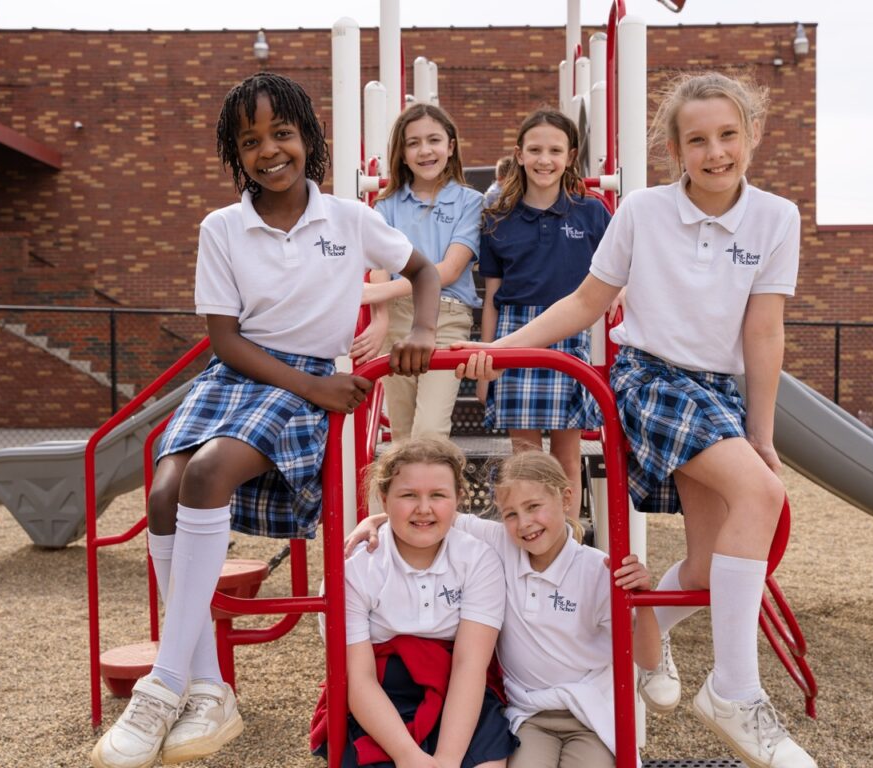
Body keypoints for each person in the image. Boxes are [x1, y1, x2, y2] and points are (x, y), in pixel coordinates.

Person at [455, 72, 816, 768]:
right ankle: (736, 691)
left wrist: (762, 436)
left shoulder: (776, 218)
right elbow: (588, 302)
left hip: (717, 390)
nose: (715, 152)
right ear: (675, 149)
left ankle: (639, 623)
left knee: (710, 567)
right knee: (763, 498)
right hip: (649, 376)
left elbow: (764, 333)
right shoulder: (644, 212)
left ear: (753, 136)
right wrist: (495, 348)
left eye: (728, 135)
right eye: (698, 140)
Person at [91, 72, 440, 768]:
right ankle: (208, 685)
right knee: (163, 489)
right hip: (249, 371)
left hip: (305, 376)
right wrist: (312, 387)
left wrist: (423, 332)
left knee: (210, 473)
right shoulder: (223, 228)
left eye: (282, 133)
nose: (269, 150)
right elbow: (225, 342)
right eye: (250, 141)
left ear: (308, 138)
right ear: (235, 153)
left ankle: (164, 686)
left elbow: (425, 271)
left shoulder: (346, 218)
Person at [345, 450, 661, 768]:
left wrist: (643, 601)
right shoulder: (501, 543)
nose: (524, 523)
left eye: (534, 507)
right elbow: (434, 515)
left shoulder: (597, 570)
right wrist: (374, 520)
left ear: (567, 498)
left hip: (591, 713)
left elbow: (647, 658)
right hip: (530, 713)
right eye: (510, 514)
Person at [337, 438, 518, 768]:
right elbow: (360, 677)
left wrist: (447, 760)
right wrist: (408, 757)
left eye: (438, 495)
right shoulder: (356, 569)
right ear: (384, 499)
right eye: (408, 495)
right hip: (382, 696)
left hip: (458, 690)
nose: (424, 508)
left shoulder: (478, 559)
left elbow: (470, 664)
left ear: (459, 499)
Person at [478, 109, 610, 519]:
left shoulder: (592, 213)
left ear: (571, 156)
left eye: (555, 150)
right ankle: (531, 533)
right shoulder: (498, 216)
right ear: (519, 154)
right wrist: (488, 360)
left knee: (567, 454)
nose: (544, 159)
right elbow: (492, 296)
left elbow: (618, 275)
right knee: (525, 456)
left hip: (570, 332)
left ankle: (566, 536)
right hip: (515, 332)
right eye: (534, 149)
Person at [353, 104, 483, 442]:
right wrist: (380, 318)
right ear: (403, 154)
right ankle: (402, 496)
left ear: (451, 146)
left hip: (447, 317)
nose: (425, 150)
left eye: (434, 140)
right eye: (413, 143)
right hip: (396, 320)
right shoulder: (387, 205)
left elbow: (450, 269)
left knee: (429, 431)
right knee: (402, 433)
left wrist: (378, 293)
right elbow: (380, 267)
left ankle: (436, 494)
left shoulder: (470, 202)